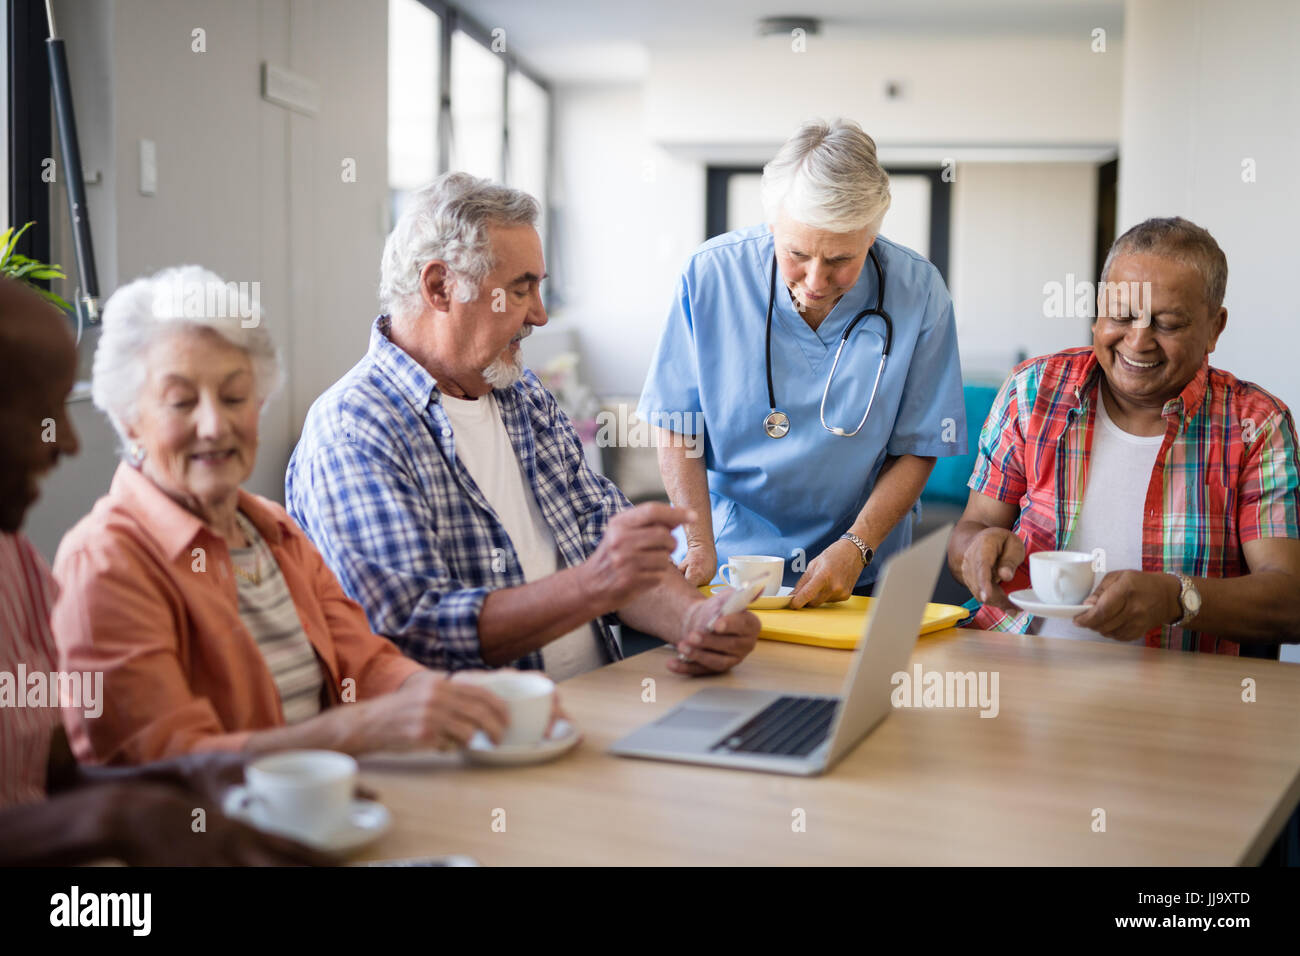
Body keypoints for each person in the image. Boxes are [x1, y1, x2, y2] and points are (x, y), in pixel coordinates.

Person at [287, 172, 760, 681]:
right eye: (520, 290)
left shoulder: (522, 394)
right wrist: (593, 584)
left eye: (539, 287)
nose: (540, 314)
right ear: (440, 287)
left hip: (595, 706)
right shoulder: (354, 430)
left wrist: (695, 619)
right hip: (479, 740)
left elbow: (607, 543)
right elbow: (413, 634)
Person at [51, 265, 524, 767]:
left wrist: (450, 696)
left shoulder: (273, 531)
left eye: (235, 398)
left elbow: (363, 665)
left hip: (325, 813)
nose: (213, 426)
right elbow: (162, 762)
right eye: (181, 402)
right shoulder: (105, 562)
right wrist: (355, 730)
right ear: (129, 421)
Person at [0, 275, 326, 865]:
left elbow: (51, 774)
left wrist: (187, 793)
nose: (69, 443)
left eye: (234, 398)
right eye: (41, 414)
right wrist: (122, 813)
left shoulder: (15, 561)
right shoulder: (103, 559)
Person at [638, 118, 967, 608]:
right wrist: (701, 544)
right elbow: (677, 424)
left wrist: (857, 547)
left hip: (856, 564)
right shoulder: (710, 277)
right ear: (773, 224)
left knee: (843, 686)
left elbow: (919, 445)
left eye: (841, 259)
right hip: (728, 561)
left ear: (872, 235)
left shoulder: (919, 292)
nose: (815, 279)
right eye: (797, 253)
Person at [949, 217, 1300, 653]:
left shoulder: (1255, 425)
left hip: (1180, 695)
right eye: (1121, 315)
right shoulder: (1032, 391)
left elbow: (1289, 602)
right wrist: (977, 549)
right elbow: (973, 527)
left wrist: (1176, 598)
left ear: (1215, 327)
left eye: (1167, 324)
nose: (1138, 342)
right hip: (1015, 664)